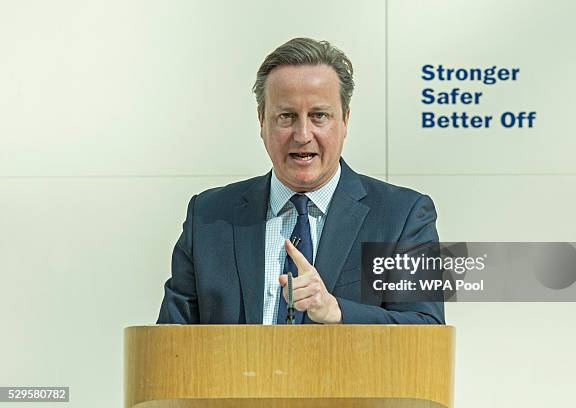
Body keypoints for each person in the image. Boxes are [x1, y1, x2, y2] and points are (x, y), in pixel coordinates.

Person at [157, 38, 444, 325]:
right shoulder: (208, 216)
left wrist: (338, 312)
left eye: (319, 116)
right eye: (287, 116)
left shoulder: (402, 216)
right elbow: (168, 344)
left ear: (344, 120)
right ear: (261, 121)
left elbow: (426, 331)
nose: (302, 134)